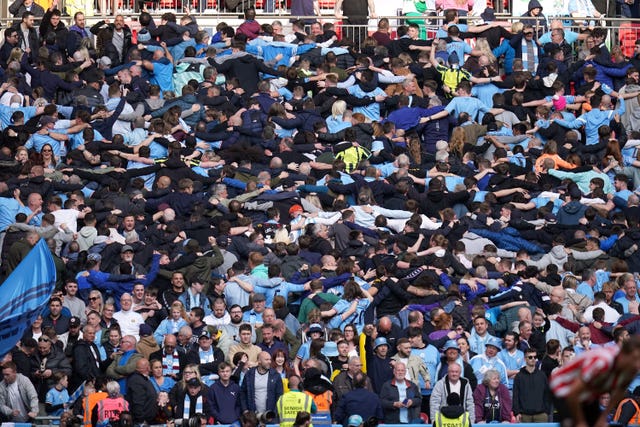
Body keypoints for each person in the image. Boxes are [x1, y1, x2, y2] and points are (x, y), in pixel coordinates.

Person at [550, 336, 640, 427]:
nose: (638, 364)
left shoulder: (633, 367)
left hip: (590, 389)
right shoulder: (603, 362)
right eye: (635, 358)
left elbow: (619, 391)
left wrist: (603, 417)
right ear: (625, 354)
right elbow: (573, 393)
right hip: (563, 387)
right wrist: (580, 421)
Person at [513, 347, 551, 422]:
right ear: (525, 359)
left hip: (541, 415)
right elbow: (516, 396)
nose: (533, 359)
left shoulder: (542, 375)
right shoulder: (519, 376)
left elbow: (547, 394)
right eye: (530, 357)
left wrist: (546, 411)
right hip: (524, 415)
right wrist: (517, 412)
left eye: (535, 357)